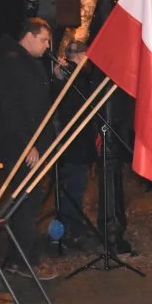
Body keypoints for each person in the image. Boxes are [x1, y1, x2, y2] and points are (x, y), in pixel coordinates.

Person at [0, 18, 58, 280]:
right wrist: (28, 144)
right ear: (28, 36)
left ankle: (22, 257)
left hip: (32, 144)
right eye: (44, 40)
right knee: (24, 203)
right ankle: (20, 261)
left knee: (29, 201)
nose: (47, 46)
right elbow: (11, 110)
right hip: (20, 146)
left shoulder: (27, 63)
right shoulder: (11, 64)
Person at [54, 40, 101, 242]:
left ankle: (71, 229)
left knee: (74, 186)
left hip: (72, 141)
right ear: (82, 56)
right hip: (75, 142)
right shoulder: (74, 77)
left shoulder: (67, 76)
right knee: (74, 187)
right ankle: (69, 232)